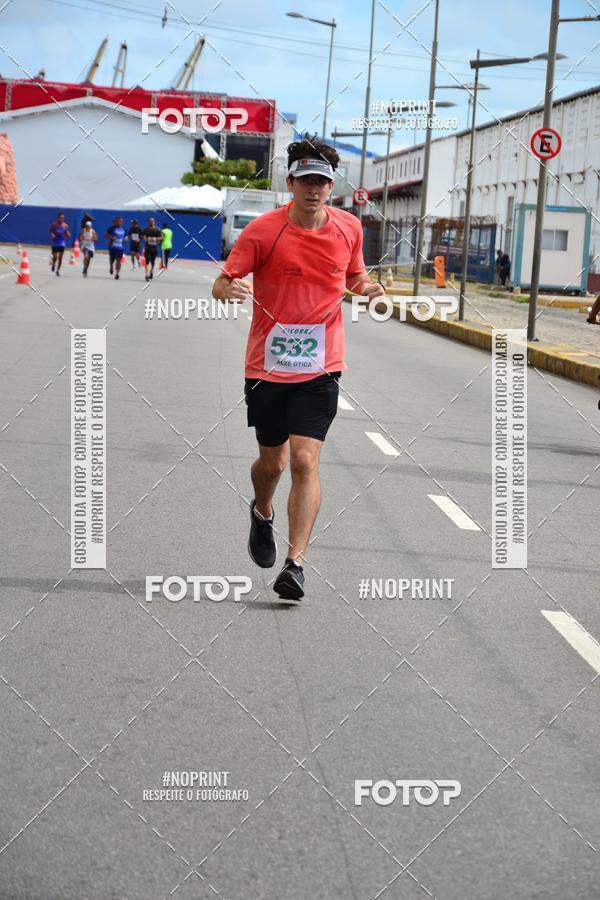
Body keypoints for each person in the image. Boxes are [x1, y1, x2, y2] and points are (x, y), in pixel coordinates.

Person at [211, 134, 384, 603]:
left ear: (331, 186)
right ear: (290, 183)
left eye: (322, 181)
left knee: (305, 460)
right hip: (267, 367)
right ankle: (262, 510)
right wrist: (227, 290)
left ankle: (296, 564)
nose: (314, 188)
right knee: (273, 463)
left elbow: (354, 275)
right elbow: (222, 281)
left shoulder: (349, 228)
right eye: (305, 180)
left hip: (321, 364)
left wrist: (368, 288)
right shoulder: (263, 230)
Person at [49, 212, 71, 276]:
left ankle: (58, 270)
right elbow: (51, 231)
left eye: (63, 218)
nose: (61, 219)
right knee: (55, 257)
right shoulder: (54, 224)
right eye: (60, 218)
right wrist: (52, 235)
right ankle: (53, 264)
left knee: (60, 257)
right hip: (55, 242)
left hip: (62, 243)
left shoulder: (65, 225)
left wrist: (68, 234)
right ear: (58, 218)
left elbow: (68, 233)